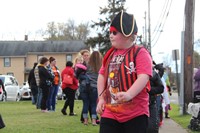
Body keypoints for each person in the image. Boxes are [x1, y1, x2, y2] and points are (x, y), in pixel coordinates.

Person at [96, 10, 152, 133]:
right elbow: (102, 76)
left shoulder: (140, 53)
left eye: (114, 32)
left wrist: (129, 94)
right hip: (111, 111)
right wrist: (101, 99)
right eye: (110, 32)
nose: (111, 35)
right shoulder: (110, 54)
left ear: (128, 35)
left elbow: (144, 77)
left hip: (135, 113)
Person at [78, 51, 102, 125]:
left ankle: (85, 120)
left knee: (86, 104)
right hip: (94, 86)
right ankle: (94, 121)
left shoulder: (87, 64)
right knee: (93, 104)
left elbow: (79, 74)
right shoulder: (101, 66)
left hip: (84, 85)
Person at [147, 63, 164, 133]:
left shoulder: (154, 74)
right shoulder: (132, 73)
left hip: (151, 103)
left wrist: (148, 89)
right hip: (136, 105)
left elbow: (161, 88)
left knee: (152, 128)